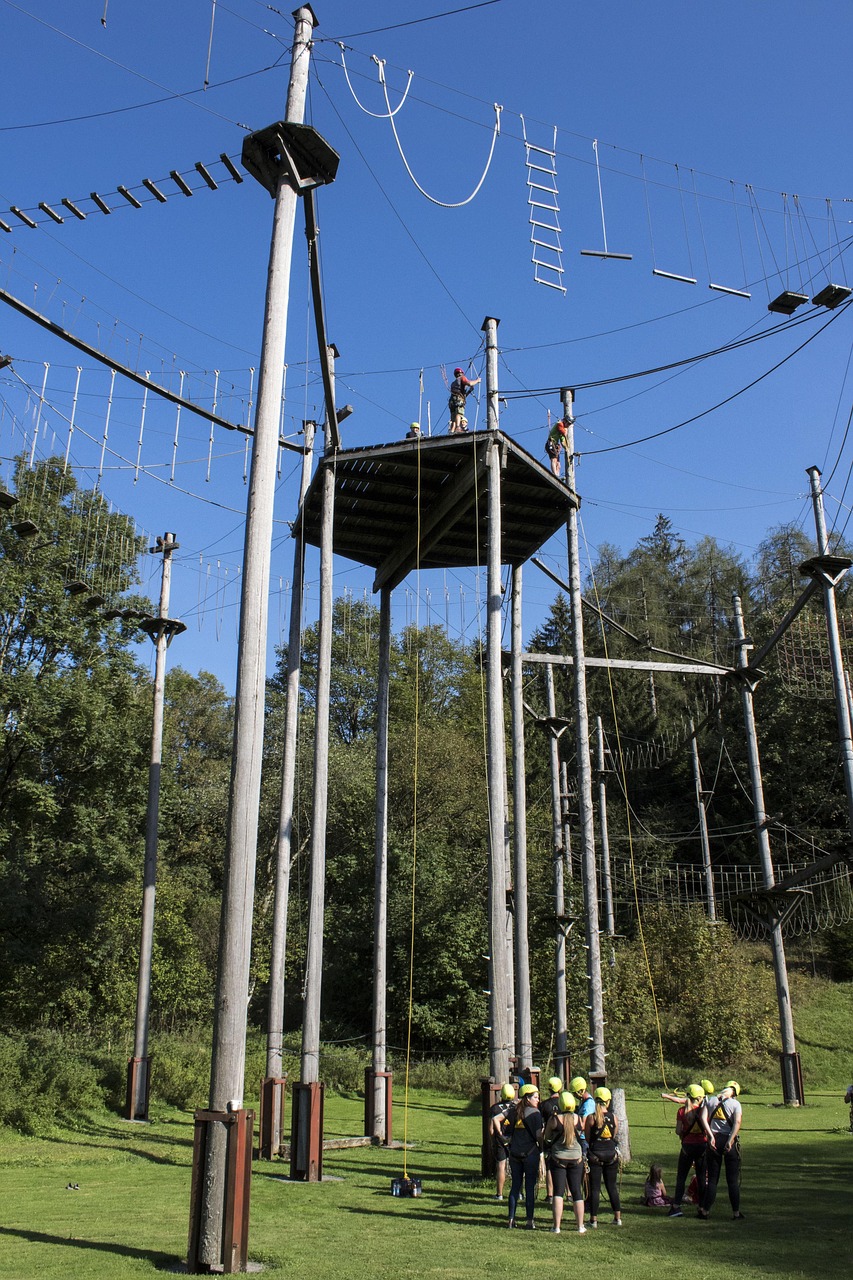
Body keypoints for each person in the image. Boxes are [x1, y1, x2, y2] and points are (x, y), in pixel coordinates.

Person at [543, 1091, 586, 1234]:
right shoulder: (579, 1119)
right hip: (576, 1159)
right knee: (576, 1192)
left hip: (558, 1159)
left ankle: (556, 1227)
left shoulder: (554, 1120)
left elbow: (547, 1137)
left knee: (558, 1193)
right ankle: (580, 1226)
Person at [700, 1081, 744, 1220]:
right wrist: (731, 1141)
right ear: (734, 1092)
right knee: (732, 1181)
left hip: (714, 1141)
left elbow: (703, 1118)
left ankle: (705, 1211)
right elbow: (737, 1123)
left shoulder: (711, 1100)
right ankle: (736, 1213)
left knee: (712, 1179)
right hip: (728, 1141)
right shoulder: (735, 1104)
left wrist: (710, 1136)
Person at [668, 1083, 712, 1218]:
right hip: (702, 1147)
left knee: (681, 1178)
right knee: (701, 1177)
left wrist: (684, 1133)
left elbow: (677, 1131)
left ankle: (676, 1207)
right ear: (699, 1098)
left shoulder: (682, 1111)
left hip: (687, 1147)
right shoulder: (705, 1111)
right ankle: (702, 1206)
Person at [507, 1083, 544, 1230]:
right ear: (527, 1099)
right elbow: (538, 1135)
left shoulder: (513, 1112)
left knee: (515, 1187)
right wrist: (541, 1149)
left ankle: (511, 1219)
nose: (538, 1100)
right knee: (530, 1188)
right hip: (530, 1154)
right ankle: (529, 1221)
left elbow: (508, 1132)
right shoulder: (535, 1114)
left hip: (514, 1154)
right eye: (535, 1097)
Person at [585, 1085, 622, 1227]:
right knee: (611, 1186)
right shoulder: (614, 1118)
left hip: (595, 1155)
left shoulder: (591, 1118)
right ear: (608, 1102)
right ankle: (617, 1217)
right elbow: (613, 1135)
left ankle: (593, 1220)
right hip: (611, 1154)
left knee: (594, 1188)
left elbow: (588, 1138)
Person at [489, 1083, 515, 1200]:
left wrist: (493, 1140)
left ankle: (499, 1194)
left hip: (500, 1139)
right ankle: (519, 1192)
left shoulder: (495, 1108)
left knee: (501, 1165)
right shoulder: (516, 1107)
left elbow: (491, 1129)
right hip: (514, 1138)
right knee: (516, 1165)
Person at [539, 1077, 563, 1204]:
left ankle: (550, 1194)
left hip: (550, 1138)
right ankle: (569, 1193)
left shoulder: (544, 1105)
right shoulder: (565, 1102)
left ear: (549, 1088)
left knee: (549, 1166)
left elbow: (541, 1124)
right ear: (560, 1088)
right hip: (564, 1137)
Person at [448, 367, 479, 432]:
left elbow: (463, 396)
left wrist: (469, 391)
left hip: (452, 401)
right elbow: (469, 383)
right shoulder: (462, 378)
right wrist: (477, 381)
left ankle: (452, 430)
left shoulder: (453, 383)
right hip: (458, 399)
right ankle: (458, 427)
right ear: (461, 373)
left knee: (453, 418)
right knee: (459, 413)